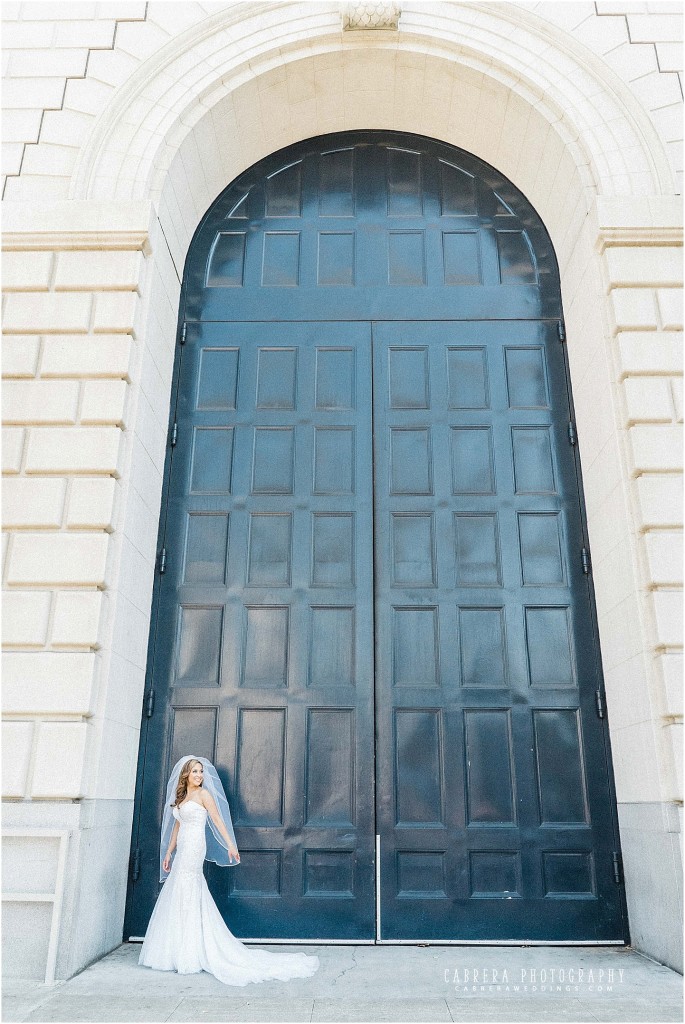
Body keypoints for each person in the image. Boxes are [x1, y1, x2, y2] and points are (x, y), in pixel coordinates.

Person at [138, 755, 320, 985]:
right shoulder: (182, 796)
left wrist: (230, 845)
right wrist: (168, 852)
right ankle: (176, 946)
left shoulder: (204, 795)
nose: (199, 775)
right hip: (182, 847)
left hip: (195, 847)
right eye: (195, 771)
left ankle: (191, 950)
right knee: (178, 887)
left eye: (201, 772)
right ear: (186, 774)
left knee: (189, 885)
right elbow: (177, 825)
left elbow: (217, 820)